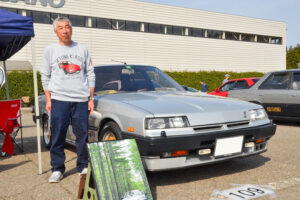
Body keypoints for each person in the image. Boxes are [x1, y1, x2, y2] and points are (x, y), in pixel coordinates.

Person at [41, 16, 96, 183]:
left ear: (71, 29)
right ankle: (57, 169)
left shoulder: (82, 49)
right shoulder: (50, 50)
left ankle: (82, 165)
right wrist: (49, 99)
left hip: (80, 99)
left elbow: (90, 73)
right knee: (57, 134)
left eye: (67, 27)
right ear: (55, 32)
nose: (65, 30)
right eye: (61, 28)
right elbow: (45, 76)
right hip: (59, 99)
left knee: (82, 135)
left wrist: (90, 98)